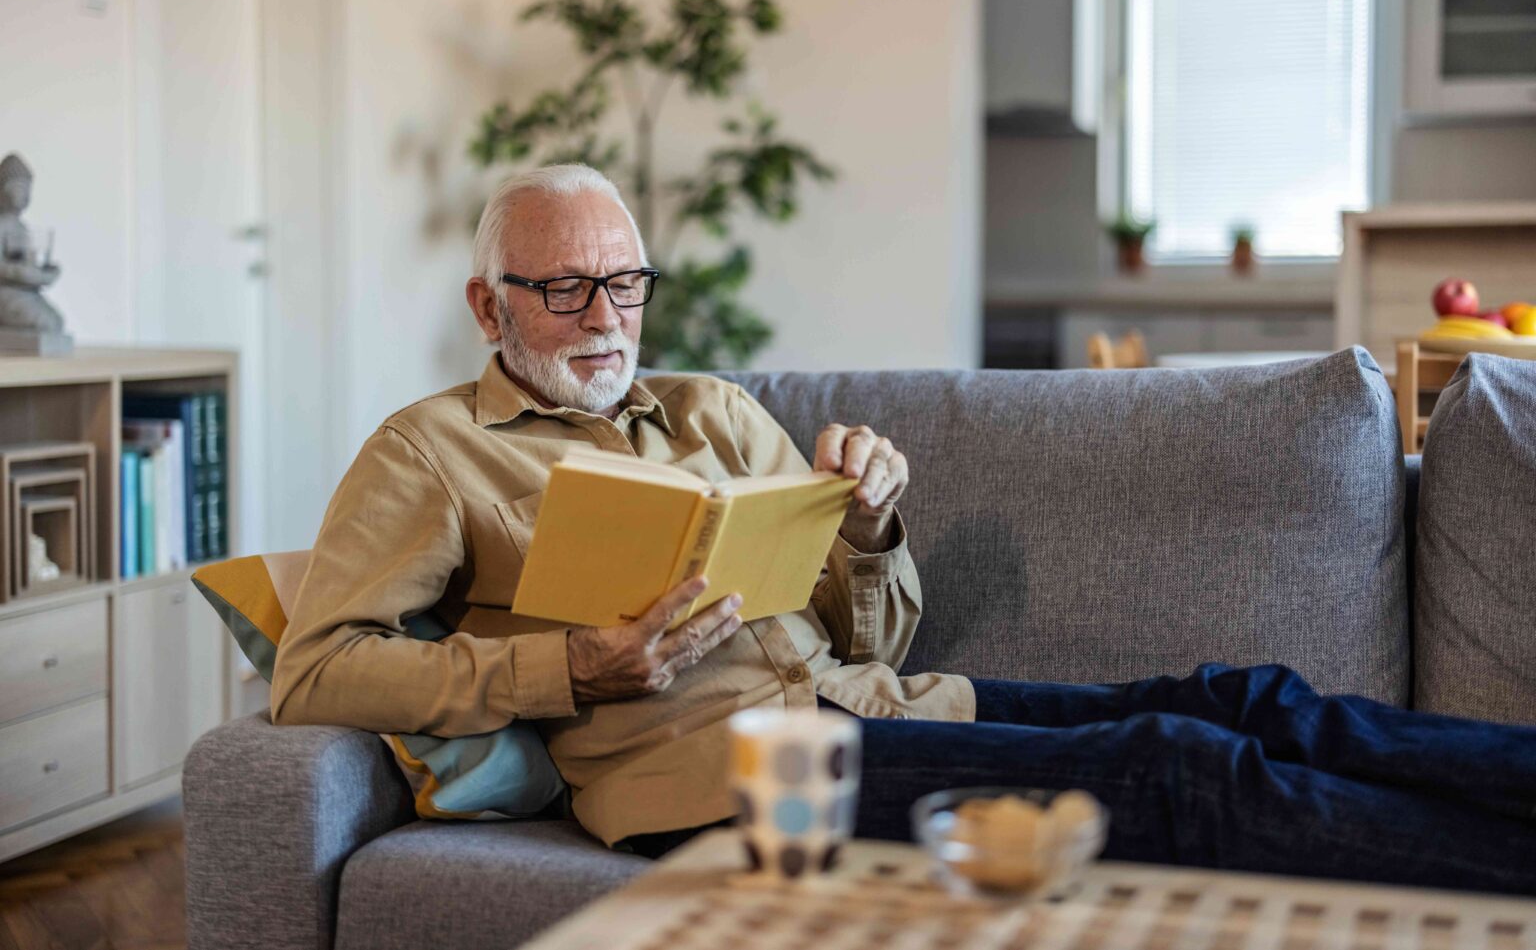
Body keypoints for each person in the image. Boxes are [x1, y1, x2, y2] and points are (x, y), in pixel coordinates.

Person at [271, 164, 1536, 894]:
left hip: (879, 699)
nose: (606, 315)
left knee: (1244, 698)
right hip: (725, 779)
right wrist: (566, 667)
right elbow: (315, 667)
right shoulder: (429, 449)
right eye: (563, 289)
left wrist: (869, 528)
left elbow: (867, 626)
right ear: (491, 304)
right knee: (1180, 771)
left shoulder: (715, 411)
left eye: (625, 281)